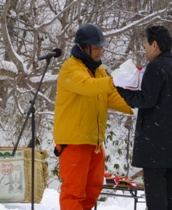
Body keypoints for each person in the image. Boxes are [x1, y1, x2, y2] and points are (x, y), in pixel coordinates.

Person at [113, 26, 172, 210]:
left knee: (156, 197)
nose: (145, 49)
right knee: (171, 195)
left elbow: (146, 100)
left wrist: (121, 90)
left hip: (156, 145)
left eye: (146, 45)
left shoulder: (156, 67)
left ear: (155, 45)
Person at [53, 23, 133, 210]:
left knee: (92, 191)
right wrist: (114, 80)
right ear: (83, 47)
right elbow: (87, 86)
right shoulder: (71, 68)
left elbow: (111, 97)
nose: (100, 51)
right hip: (74, 142)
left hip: (94, 143)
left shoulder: (99, 70)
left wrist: (136, 107)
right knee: (74, 193)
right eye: (96, 47)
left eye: (101, 47)